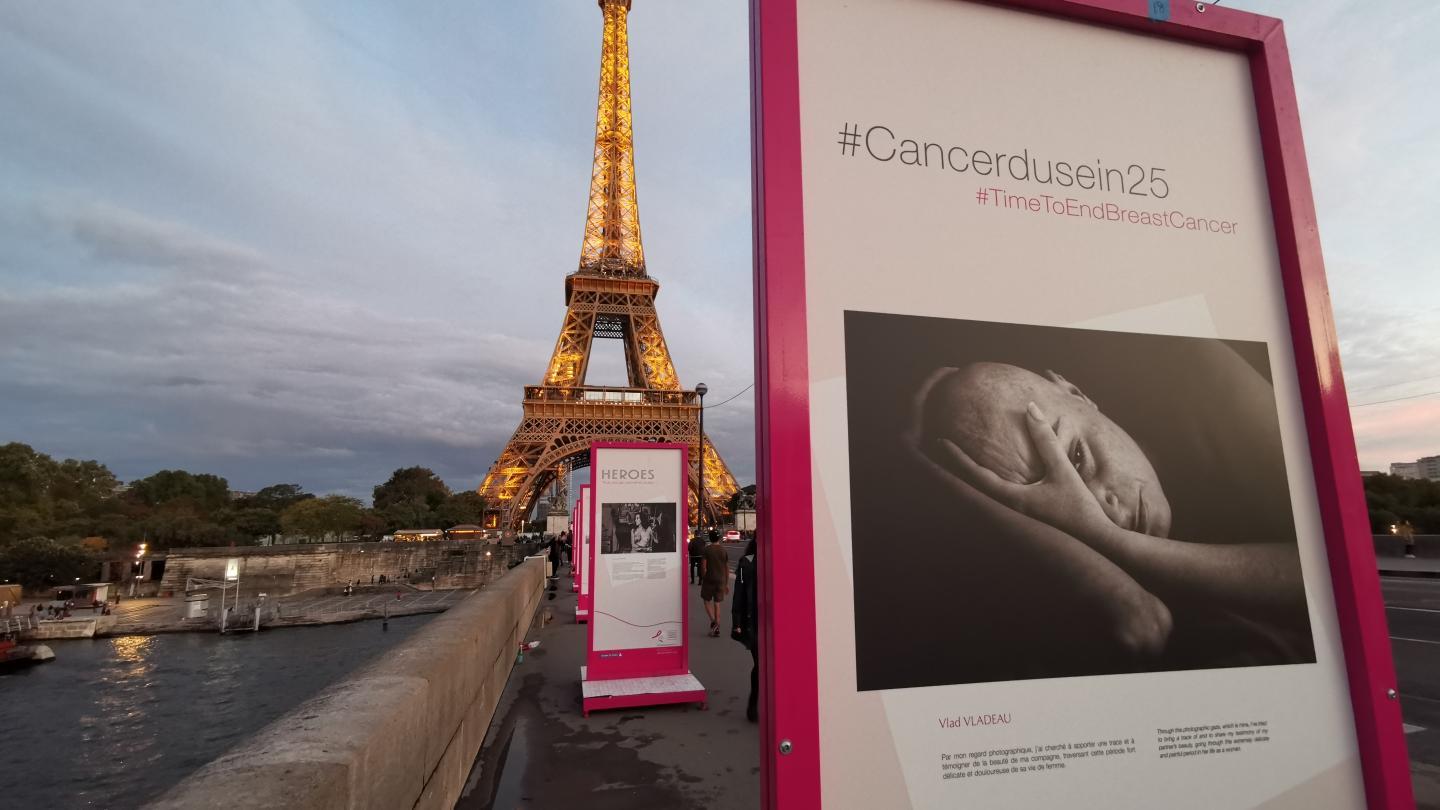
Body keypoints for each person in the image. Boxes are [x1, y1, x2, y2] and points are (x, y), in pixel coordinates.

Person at [915, 360, 1311, 662]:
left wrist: (1109, 538)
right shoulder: (1058, 583)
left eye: (1074, 454)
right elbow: (1135, 621)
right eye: (1043, 507)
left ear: (1075, 393)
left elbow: (1322, 578)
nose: (1093, 507)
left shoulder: (1219, 411)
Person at [731, 537, 759, 722]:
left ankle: (754, 703)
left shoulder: (745, 563)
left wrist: (737, 623)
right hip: (757, 622)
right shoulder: (746, 564)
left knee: (759, 665)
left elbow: (738, 593)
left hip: (753, 622)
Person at [699, 533, 730, 636]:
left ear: (710, 538)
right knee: (717, 603)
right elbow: (726, 568)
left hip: (709, 579)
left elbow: (703, 566)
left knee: (706, 600)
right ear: (719, 538)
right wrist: (726, 583)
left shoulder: (707, 550)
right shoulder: (723, 550)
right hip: (721, 579)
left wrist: (703, 577)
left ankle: (713, 621)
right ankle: (717, 626)